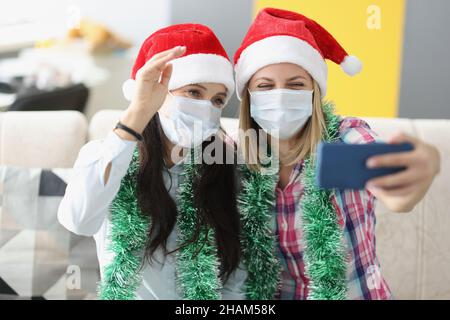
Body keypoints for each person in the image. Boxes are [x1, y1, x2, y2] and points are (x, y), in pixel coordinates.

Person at [233, 7, 441, 299]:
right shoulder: (236, 157)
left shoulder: (346, 137)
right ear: (249, 99)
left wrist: (427, 161)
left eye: (296, 85)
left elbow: (394, 187)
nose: (280, 96)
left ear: (314, 92)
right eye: (265, 86)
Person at [58, 24, 246, 300]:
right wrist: (138, 111)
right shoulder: (105, 155)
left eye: (217, 100)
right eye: (194, 92)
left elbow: (236, 275)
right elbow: (78, 220)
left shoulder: (224, 166)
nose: (207, 107)